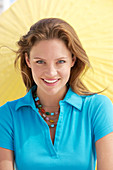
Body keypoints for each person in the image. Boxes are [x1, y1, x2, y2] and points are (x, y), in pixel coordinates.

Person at [0, 18, 113, 170]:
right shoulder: (8, 115)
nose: (51, 73)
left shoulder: (97, 107)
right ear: (28, 60)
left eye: (60, 61)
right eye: (40, 61)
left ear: (73, 60)